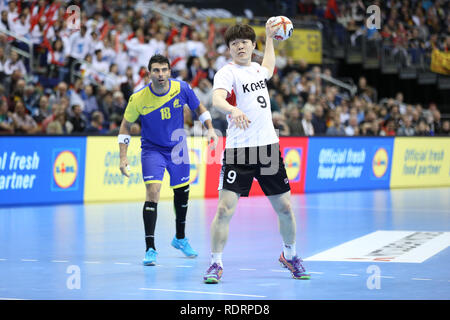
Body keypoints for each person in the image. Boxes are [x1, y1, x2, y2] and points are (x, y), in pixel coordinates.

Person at [203, 23, 310, 284]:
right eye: (234, 43)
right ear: (229, 49)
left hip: (268, 150)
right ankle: (215, 263)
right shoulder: (227, 73)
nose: (240, 46)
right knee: (225, 210)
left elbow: (270, 68)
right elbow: (216, 99)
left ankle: (290, 255)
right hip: (239, 152)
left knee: (285, 208)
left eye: (245, 42)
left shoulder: (257, 70)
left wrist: (270, 39)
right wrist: (232, 109)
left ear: (253, 45)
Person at [118, 54, 218, 266]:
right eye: (156, 70)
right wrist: (123, 156)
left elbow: (198, 108)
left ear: (169, 72)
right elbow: (125, 126)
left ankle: (180, 238)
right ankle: (150, 248)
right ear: (149, 73)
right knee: (153, 192)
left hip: (178, 147)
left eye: (164, 70)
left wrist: (210, 129)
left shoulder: (181, 88)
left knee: (182, 192)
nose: (161, 74)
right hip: (152, 149)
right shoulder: (138, 98)